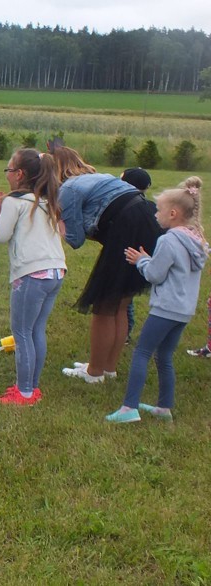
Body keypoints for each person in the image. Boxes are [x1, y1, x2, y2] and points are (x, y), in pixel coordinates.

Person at [52, 147, 162, 383]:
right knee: (120, 304)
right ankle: (107, 367)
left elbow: (75, 239)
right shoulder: (99, 177)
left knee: (103, 306)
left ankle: (94, 373)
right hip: (146, 220)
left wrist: (57, 223)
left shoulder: (68, 189)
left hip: (126, 227)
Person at [106, 177, 208, 423]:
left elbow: (155, 275)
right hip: (184, 311)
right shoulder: (196, 240)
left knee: (141, 352)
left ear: (173, 213)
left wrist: (141, 260)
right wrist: (148, 259)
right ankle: (164, 407)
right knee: (164, 356)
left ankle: (128, 408)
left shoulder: (169, 240)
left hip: (165, 308)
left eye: (159, 210)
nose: (155, 215)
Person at [0, 149, 66, 406]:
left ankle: (23, 393)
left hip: (32, 274)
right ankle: (33, 387)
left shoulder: (14, 202)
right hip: (55, 271)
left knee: (21, 332)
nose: (7, 174)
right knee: (36, 330)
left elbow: (1, 235)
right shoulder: (47, 199)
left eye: (9, 169)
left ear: (19, 174)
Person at [119, 167, 160, 342]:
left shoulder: (126, 207)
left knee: (122, 300)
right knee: (127, 298)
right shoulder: (151, 206)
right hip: (143, 257)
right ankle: (126, 331)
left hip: (129, 256)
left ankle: (125, 332)